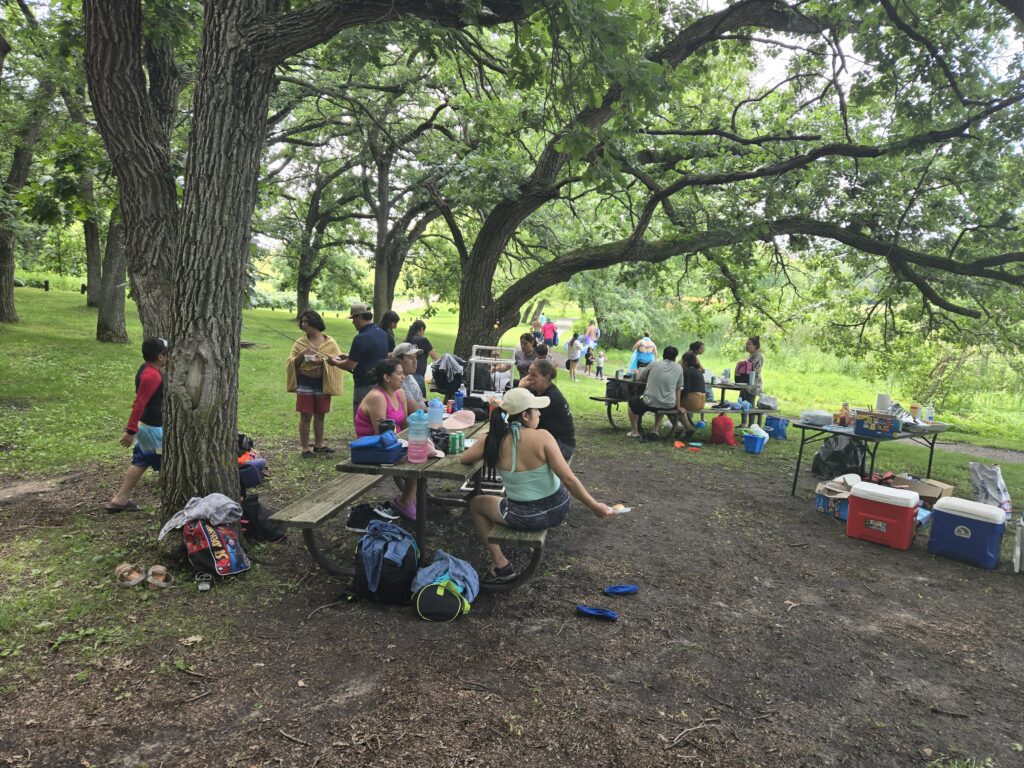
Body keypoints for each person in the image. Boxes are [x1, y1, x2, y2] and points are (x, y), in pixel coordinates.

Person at [458, 388, 612, 584]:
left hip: (524, 517)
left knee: (476, 503)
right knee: (506, 498)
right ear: (525, 415)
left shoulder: (491, 440)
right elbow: (569, 480)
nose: (539, 413)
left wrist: (486, 440)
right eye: (536, 409)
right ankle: (500, 560)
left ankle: (500, 563)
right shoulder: (543, 437)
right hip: (559, 508)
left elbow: (465, 458)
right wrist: (595, 506)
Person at [105, 338, 168, 512]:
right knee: (169, 461)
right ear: (160, 357)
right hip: (153, 430)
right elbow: (139, 403)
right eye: (166, 353)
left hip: (148, 428)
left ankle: (120, 499)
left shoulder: (148, 369)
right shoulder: (151, 376)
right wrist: (130, 431)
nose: (169, 356)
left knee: (141, 462)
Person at [354, 359, 418, 519]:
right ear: (387, 377)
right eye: (399, 373)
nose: (403, 377)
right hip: (372, 449)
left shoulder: (400, 393)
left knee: (422, 450)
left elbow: (404, 425)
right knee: (417, 458)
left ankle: (410, 496)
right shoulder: (377, 397)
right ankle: (405, 501)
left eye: (403, 373)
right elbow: (381, 434)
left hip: (391, 444)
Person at [286, 310, 343, 457]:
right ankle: (305, 448)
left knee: (320, 415)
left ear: (314, 323)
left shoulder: (329, 342)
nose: (303, 325)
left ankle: (319, 445)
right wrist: (302, 354)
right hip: (305, 381)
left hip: (323, 383)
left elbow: (337, 359)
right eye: (302, 322)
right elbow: (292, 363)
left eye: (306, 322)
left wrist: (322, 360)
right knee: (305, 415)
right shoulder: (300, 342)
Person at [329, 302, 389, 416]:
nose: (352, 322)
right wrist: (349, 356)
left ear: (360, 317)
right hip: (381, 385)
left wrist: (334, 362)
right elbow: (373, 355)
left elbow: (350, 365)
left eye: (353, 318)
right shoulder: (381, 333)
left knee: (363, 420)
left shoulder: (361, 338)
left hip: (364, 387)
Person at [518, 358, 575, 459]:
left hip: (562, 446)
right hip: (548, 440)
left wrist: (519, 390)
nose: (528, 378)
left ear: (546, 377)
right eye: (528, 373)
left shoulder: (550, 399)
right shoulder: (537, 391)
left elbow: (524, 420)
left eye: (534, 375)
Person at [625, 346, 684, 438]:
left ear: (663, 354)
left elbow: (641, 378)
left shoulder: (654, 364)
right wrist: (678, 407)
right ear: (675, 357)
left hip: (650, 402)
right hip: (669, 404)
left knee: (631, 402)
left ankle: (635, 431)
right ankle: (655, 430)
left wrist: (639, 374)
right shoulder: (679, 368)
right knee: (662, 401)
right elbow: (678, 388)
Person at [675, 351, 707, 440]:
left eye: (681, 361)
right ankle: (682, 429)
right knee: (677, 405)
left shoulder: (687, 371)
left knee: (673, 405)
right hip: (702, 402)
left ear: (685, 362)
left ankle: (685, 428)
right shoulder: (698, 371)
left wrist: (678, 402)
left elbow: (686, 389)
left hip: (693, 400)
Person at [405, 319, 440, 397]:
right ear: (421, 329)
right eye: (423, 330)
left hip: (406, 375)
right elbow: (435, 358)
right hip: (418, 374)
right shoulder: (423, 340)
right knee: (421, 401)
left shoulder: (407, 339)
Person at [392, 342, 426, 412]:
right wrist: (435, 410)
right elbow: (413, 410)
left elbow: (418, 397)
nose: (415, 361)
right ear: (398, 360)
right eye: (411, 358)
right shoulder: (400, 382)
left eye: (415, 357)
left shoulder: (409, 375)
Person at [740, 335, 765, 427]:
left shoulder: (758, 356)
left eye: (749, 344)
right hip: (745, 383)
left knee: (750, 405)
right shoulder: (750, 355)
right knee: (742, 402)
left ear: (755, 346)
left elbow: (751, 368)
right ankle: (743, 423)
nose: (746, 346)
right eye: (746, 344)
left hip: (753, 384)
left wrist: (742, 365)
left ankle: (751, 425)